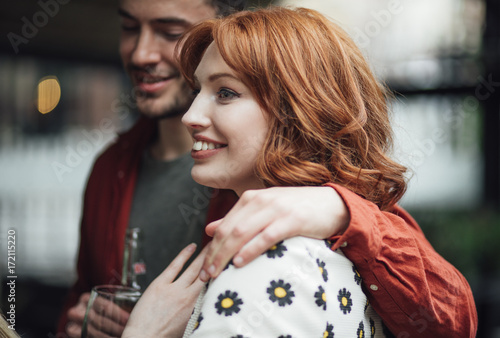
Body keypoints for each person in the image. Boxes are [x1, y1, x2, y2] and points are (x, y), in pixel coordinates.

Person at [57, 0, 477, 337]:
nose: (192, 115)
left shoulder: (279, 258)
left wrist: (342, 211)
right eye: (129, 27)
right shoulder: (112, 167)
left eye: (224, 91)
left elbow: (452, 314)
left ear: (296, 112)